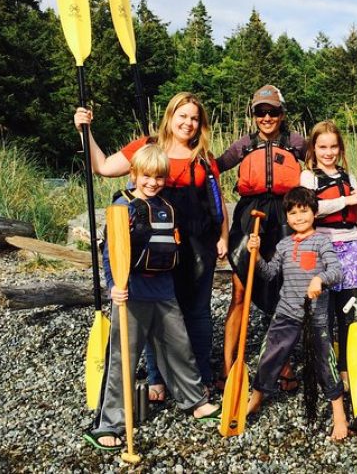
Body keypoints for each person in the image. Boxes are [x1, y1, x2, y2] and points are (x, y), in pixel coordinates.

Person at [74, 92, 228, 398]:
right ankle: (157, 377)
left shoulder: (204, 157)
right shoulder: (147, 147)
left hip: (197, 243)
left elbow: (217, 200)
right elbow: (103, 167)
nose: (188, 123)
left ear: (201, 124)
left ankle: (201, 376)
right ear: (170, 116)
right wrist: (85, 132)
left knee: (196, 312)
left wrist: (223, 236)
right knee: (154, 309)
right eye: (182, 116)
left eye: (195, 118)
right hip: (154, 241)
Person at [83, 144, 220, 451]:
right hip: (131, 292)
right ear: (134, 174)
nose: (152, 183)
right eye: (146, 176)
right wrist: (112, 286)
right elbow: (110, 254)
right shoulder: (123, 206)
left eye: (159, 177)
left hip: (164, 290)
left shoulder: (166, 207)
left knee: (179, 348)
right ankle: (110, 423)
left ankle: (194, 400)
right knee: (123, 358)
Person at [215, 85, 306, 391]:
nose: (267, 117)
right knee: (239, 293)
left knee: (283, 291)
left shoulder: (296, 143)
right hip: (248, 217)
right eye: (260, 112)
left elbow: (325, 159)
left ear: (282, 113)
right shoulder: (243, 145)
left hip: (284, 218)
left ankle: (283, 363)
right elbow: (212, 168)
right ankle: (228, 368)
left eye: (273, 111)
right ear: (253, 115)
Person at [245, 187, 349, 441]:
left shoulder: (321, 242)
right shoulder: (283, 244)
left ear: (314, 213)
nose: (298, 217)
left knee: (325, 364)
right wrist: (255, 254)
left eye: (304, 212)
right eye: (292, 213)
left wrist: (319, 279)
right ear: (287, 217)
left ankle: (339, 416)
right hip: (286, 313)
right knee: (269, 356)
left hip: (315, 317)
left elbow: (337, 271)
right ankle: (255, 400)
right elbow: (269, 273)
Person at [300, 120, 357, 391]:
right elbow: (310, 208)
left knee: (347, 311)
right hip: (324, 249)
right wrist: (346, 200)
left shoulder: (348, 177)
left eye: (333, 147)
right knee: (323, 314)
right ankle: (325, 367)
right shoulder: (309, 177)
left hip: (350, 246)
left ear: (340, 148)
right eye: (322, 147)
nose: (328, 152)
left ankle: (345, 367)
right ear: (313, 148)